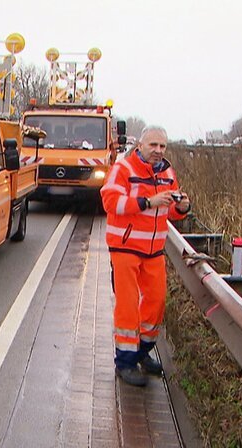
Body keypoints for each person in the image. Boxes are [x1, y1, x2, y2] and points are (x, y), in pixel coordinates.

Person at [100, 125, 191, 386]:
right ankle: (125, 363)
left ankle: (141, 352)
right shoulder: (124, 169)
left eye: (162, 146)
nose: (158, 151)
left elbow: (171, 212)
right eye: (153, 145)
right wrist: (147, 202)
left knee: (156, 302)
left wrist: (182, 207)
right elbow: (109, 202)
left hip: (153, 250)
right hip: (125, 248)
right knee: (128, 306)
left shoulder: (167, 173)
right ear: (140, 146)